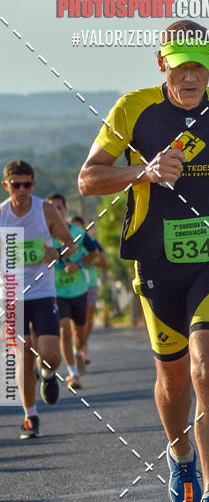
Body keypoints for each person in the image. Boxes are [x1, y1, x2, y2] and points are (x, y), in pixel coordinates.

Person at [78, 20, 209, 502]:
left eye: (198, 66)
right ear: (162, 65)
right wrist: (146, 172)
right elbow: (88, 179)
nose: (190, 76)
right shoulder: (133, 110)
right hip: (156, 264)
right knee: (174, 380)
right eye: (179, 66)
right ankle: (181, 455)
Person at [0, 160, 76, 438]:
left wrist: (57, 253)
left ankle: (47, 374)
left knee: (49, 354)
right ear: (6, 185)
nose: (22, 190)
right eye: (16, 184)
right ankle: (30, 417)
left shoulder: (45, 209)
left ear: (33, 184)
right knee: (23, 354)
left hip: (43, 292)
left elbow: (70, 244)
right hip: (11, 295)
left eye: (27, 184)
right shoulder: (1, 215)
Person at [45, 193, 95, 389]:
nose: (55, 211)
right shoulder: (43, 234)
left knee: (80, 332)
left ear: (65, 210)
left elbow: (94, 253)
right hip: (57, 292)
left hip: (79, 289)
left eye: (59, 207)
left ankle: (77, 350)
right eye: (51, 208)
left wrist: (78, 264)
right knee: (65, 329)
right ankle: (73, 374)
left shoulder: (78, 233)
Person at [69, 215, 108, 366]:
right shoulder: (67, 243)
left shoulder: (91, 243)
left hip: (90, 284)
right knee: (75, 323)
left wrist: (87, 263)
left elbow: (104, 262)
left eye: (79, 227)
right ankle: (78, 351)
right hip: (72, 285)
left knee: (87, 321)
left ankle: (81, 349)